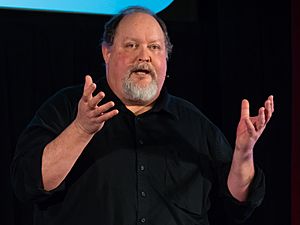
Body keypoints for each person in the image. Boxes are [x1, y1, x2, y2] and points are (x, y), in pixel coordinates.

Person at [11, 6, 274, 225]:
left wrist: (244, 154)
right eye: (132, 45)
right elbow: (28, 182)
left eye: (154, 47)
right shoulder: (68, 107)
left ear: (166, 58)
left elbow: (238, 203)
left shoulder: (194, 123)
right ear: (107, 52)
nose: (144, 56)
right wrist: (81, 129)